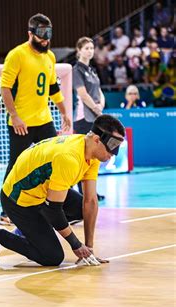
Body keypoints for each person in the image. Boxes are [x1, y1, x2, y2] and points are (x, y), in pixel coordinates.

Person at [0, 114, 126, 267]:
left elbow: (90, 201)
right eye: (111, 149)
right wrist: (76, 245)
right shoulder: (69, 158)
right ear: (96, 140)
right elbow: (53, 211)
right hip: (18, 199)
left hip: (42, 191)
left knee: (81, 209)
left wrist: (89, 248)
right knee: (52, 257)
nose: (112, 155)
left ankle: (27, 232)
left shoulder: (91, 152)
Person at [0, 13, 71, 226]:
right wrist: (15, 116)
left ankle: (56, 208)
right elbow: (5, 87)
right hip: (21, 123)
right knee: (16, 165)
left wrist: (64, 112)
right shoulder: (17, 55)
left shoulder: (49, 57)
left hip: (44, 120)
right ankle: (6, 211)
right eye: (41, 34)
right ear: (30, 33)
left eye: (48, 34)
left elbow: (52, 88)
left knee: (55, 159)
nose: (46, 39)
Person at [72, 37, 106, 201]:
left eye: (92, 48)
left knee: (93, 156)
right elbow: (83, 94)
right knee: (83, 156)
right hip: (83, 118)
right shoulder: (76, 70)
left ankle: (91, 191)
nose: (90, 51)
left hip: (95, 116)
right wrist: (95, 109)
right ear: (79, 51)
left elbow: (99, 92)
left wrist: (101, 107)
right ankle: (81, 192)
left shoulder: (92, 70)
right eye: (86, 48)